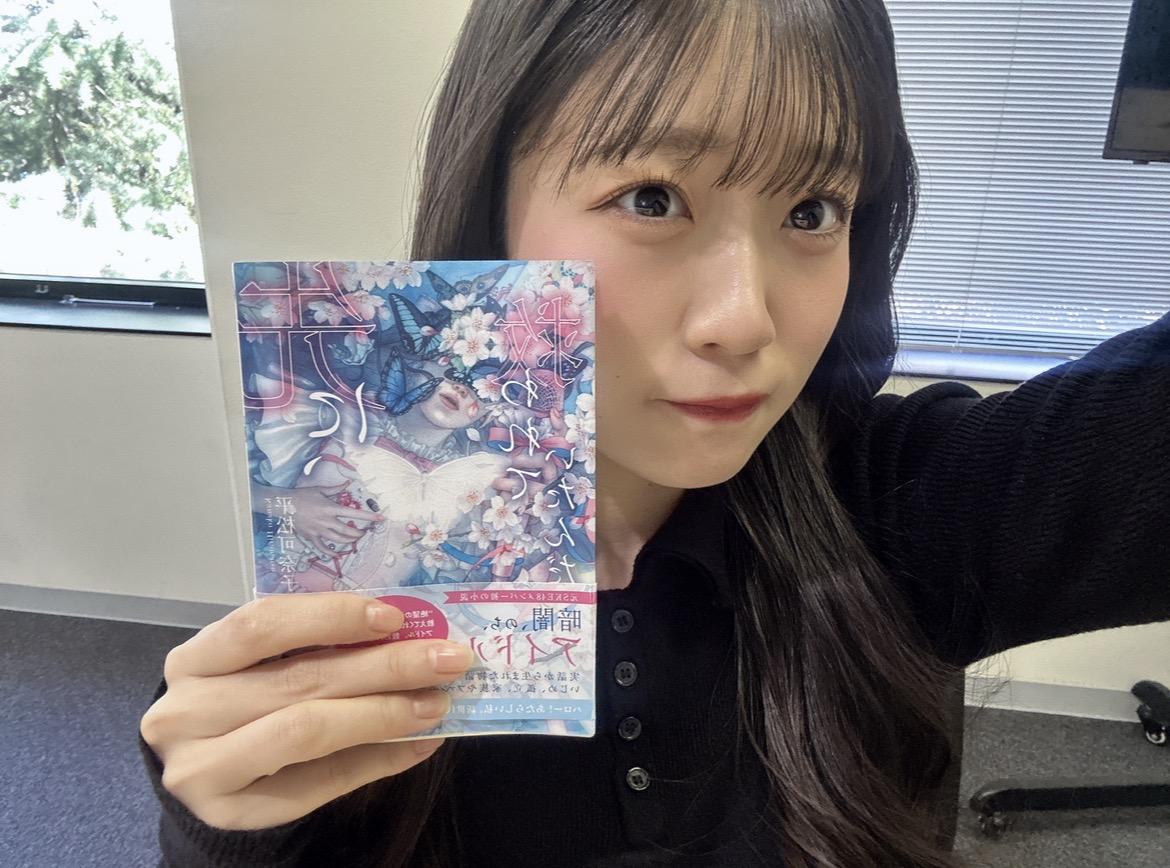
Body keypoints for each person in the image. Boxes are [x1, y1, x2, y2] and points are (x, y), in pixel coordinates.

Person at [137, 1, 1170, 866]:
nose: (744, 321)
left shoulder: (900, 507)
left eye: (814, 210)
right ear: (496, 204)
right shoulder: (363, 589)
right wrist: (230, 825)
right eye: (652, 196)